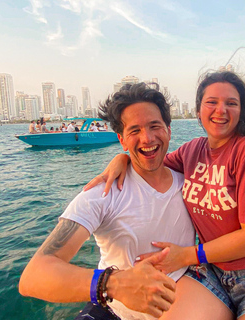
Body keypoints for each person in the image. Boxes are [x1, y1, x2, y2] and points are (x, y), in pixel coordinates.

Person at [86, 71, 245, 319]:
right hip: (213, 272)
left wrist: (185, 256)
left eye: (231, 103)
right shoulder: (192, 151)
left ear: (241, 110)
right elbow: (152, 164)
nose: (220, 110)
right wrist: (122, 158)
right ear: (199, 108)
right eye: (212, 102)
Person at [19, 83, 215, 320]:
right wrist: (114, 284)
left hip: (181, 303)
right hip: (116, 310)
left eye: (155, 126)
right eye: (135, 131)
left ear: (169, 130)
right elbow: (33, 277)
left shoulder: (191, 185)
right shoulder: (103, 192)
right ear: (122, 140)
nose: (148, 138)